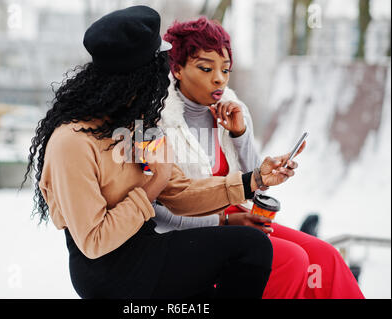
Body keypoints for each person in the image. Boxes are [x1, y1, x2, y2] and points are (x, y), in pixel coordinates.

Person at [22, 6, 302, 299]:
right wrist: (153, 182)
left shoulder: (137, 126)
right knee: (248, 248)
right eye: (159, 74)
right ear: (139, 80)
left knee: (248, 248)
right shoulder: (72, 142)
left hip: (147, 247)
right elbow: (94, 240)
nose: (163, 85)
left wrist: (253, 180)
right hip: (107, 271)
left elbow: (180, 193)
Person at [153, 16, 365, 299]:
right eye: (206, 68)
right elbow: (156, 211)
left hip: (240, 220)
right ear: (177, 69)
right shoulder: (157, 122)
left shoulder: (231, 110)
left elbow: (255, 188)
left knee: (325, 257)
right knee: (293, 260)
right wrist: (223, 222)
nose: (219, 78)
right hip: (191, 234)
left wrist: (240, 135)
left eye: (226, 70)